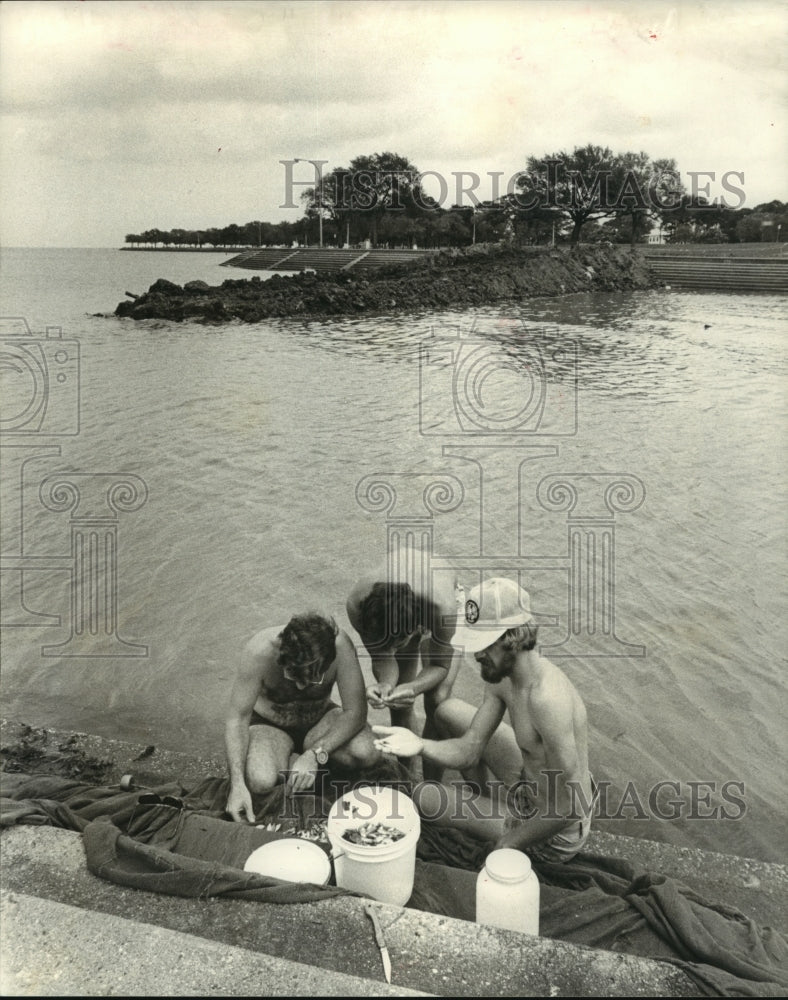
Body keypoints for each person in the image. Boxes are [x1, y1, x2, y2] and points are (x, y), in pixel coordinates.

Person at [372, 578, 597, 862]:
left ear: (512, 638)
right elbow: (469, 749)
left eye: (485, 645)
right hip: (533, 786)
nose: (477, 655)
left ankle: (495, 818)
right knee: (446, 712)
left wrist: (508, 843)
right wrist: (419, 744)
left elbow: (571, 806)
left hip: (556, 832)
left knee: (423, 796)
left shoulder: (547, 700)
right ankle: (488, 805)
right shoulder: (503, 676)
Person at [225, 612, 379, 823]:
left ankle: (304, 764)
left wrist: (316, 754)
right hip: (270, 726)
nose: (300, 687)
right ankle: (291, 763)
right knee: (259, 780)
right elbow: (237, 719)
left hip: (318, 723)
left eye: (311, 680)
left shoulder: (341, 647)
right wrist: (237, 784)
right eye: (293, 676)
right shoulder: (259, 651)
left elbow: (356, 712)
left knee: (366, 751)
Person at [346, 549, 460, 735]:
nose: (391, 649)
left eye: (397, 644)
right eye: (385, 643)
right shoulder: (357, 606)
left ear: (414, 628)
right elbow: (382, 658)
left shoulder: (442, 609)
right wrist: (385, 685)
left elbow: (440, 666)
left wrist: (413, 688)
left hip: (440, 587)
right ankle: (408, 764)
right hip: (407, 598)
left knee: (438, 701)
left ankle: (434, 760)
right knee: (397, 703)